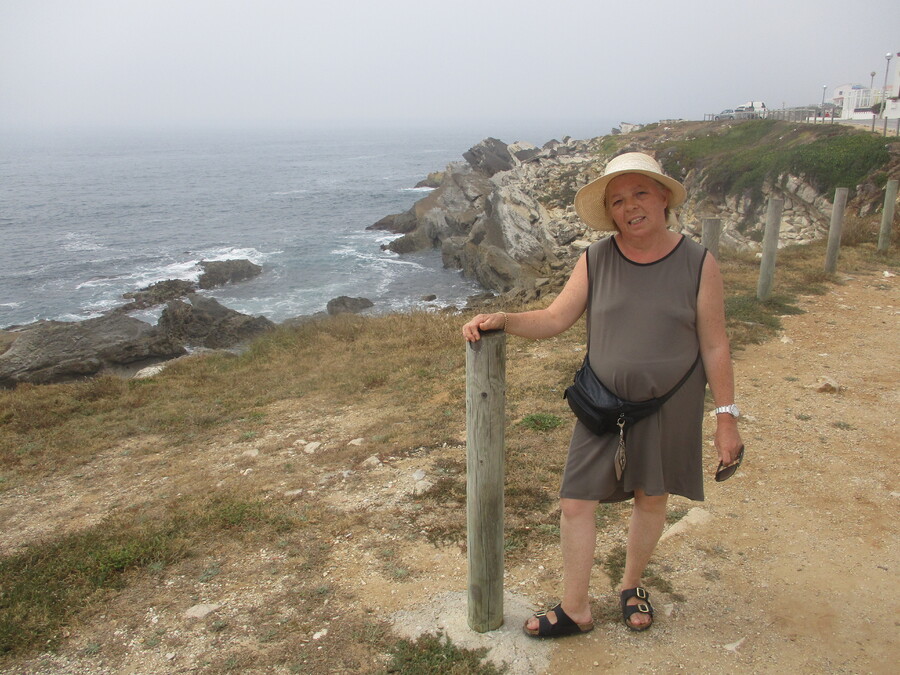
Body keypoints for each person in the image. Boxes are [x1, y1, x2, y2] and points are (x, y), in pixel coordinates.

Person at [461, 152, 743, 636]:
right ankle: (576, 609)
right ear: (609, 212)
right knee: (576, 502)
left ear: (663, 199)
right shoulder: (596, 258)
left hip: (670, 403)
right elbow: (554, 317)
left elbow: (714, 343)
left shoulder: (699, 262)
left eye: (640, 194)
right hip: (604, 405)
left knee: (651, 498)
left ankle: (632, 585)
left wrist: (726, 417)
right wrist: (504, 319)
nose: (630, 206)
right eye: (617, 200)